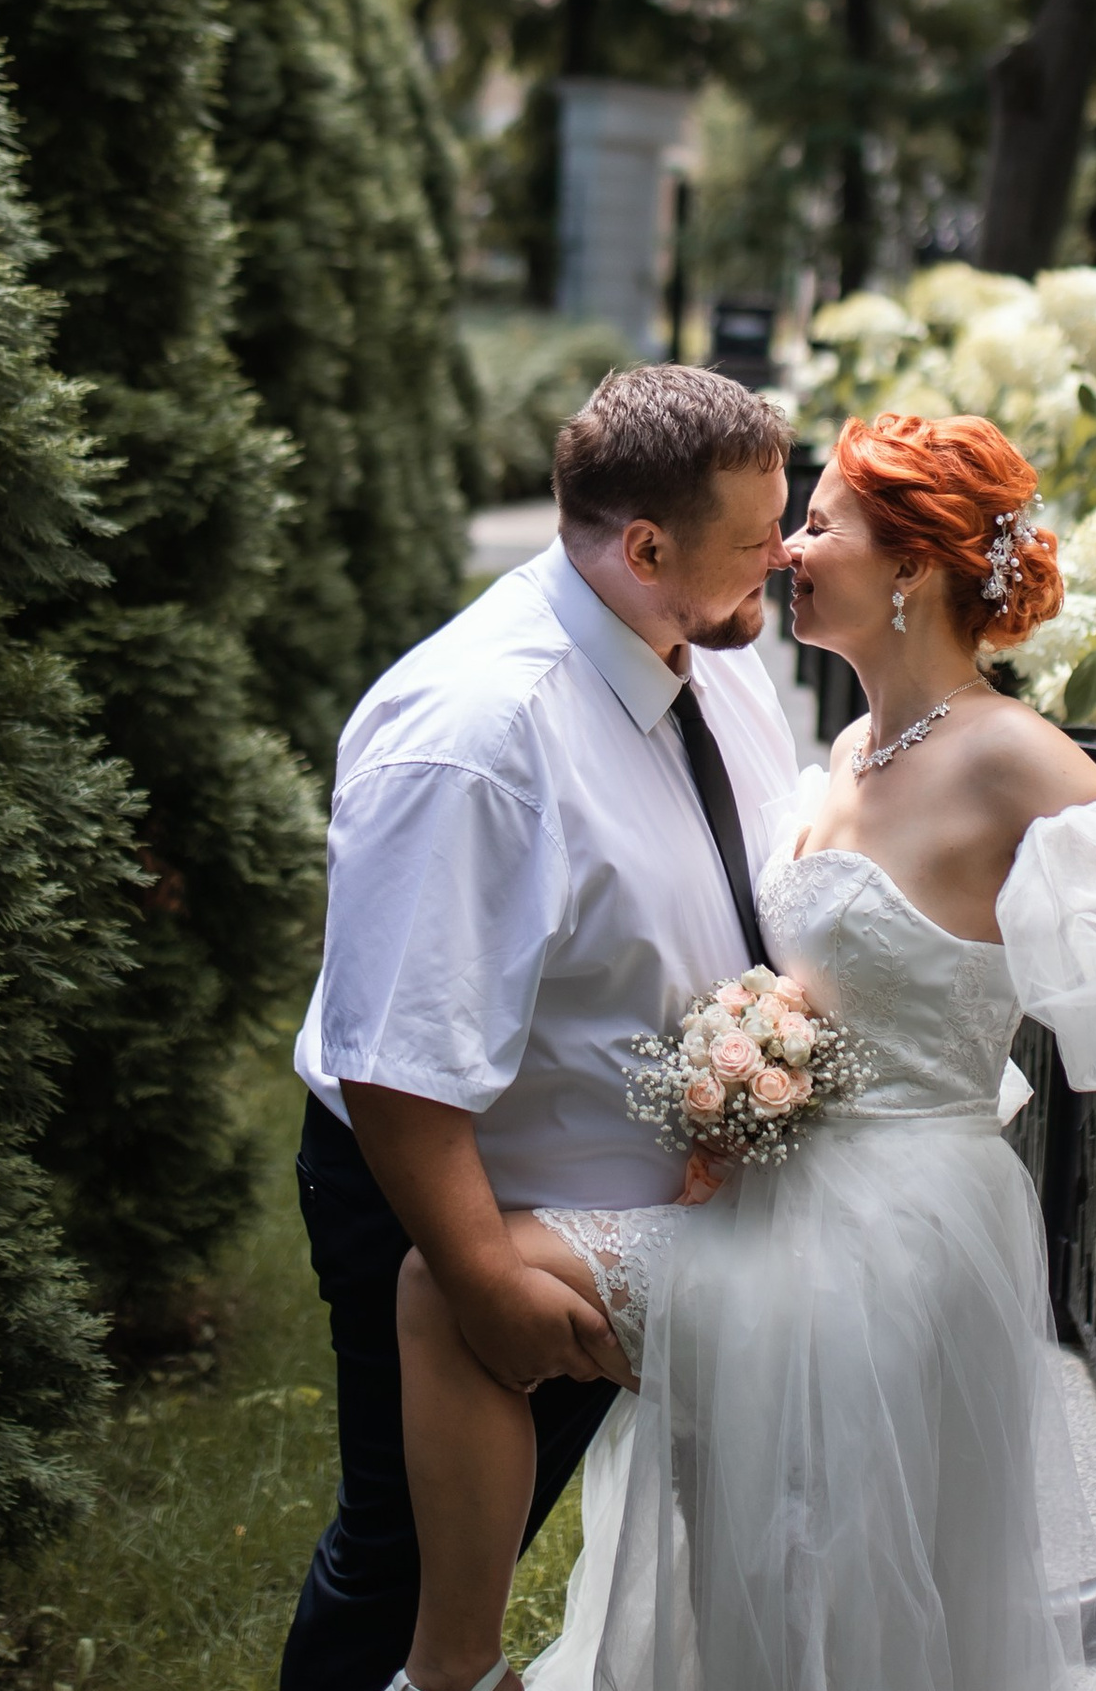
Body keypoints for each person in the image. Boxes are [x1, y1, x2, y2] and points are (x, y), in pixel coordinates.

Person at [388, 411, 1096, 1691]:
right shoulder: (841, 750)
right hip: (767, 1208)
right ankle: (453, 1671)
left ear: (912, 569)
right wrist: (743, 1080)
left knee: (821, 1586)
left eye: (821, 521)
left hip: (890, 1235)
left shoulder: (1009, 756)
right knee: (451, 1288)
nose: (788, 550)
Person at [279, 366, 805, 1691]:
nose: (782, 559)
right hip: (465, 1202)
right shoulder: (473, 737)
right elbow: (396, 1056)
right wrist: (476, 1280)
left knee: (488, 1547)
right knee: (409, 1569)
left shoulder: (713, 653)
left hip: (627, 1211)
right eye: (757, 541)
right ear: (644, 549)